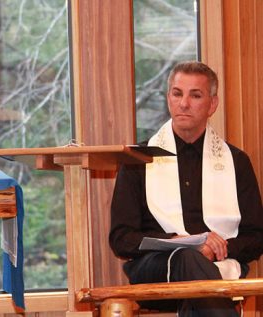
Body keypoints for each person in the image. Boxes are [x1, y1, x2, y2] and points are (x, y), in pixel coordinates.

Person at [109, 61, 263, 316]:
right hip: (156, 273)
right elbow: (121, 239)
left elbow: (256, 236)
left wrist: (214, 250)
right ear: (169, 98)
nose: (184, 103)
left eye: (195, 95)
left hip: (221, 266)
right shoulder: (139, 159)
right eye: (177, 93)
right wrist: (177, 243)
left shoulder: (236, 161)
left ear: (212, 104)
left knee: (195, 274)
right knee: (186, 258)